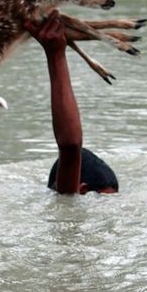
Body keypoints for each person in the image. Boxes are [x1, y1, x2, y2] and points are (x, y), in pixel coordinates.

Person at [24, 10, 119, 195]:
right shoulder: (68, 199)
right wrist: (56, 55)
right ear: (82, 189)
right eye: (104, 200)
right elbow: (70, 146)